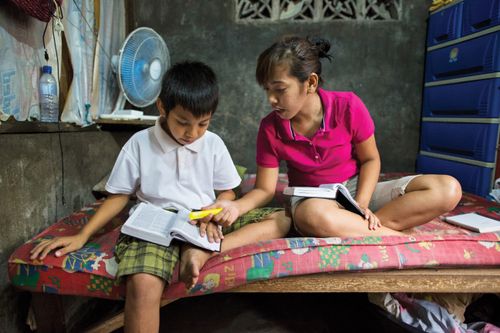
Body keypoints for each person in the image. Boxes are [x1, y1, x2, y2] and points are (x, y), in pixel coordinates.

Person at [29, 61, 290, 332]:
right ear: (163, 108)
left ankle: (201, 252)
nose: (193, 133)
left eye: (203, 123)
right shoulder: (139, 144)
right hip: (154, 225)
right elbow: (118, 197)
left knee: (282, 218)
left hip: (202, 219)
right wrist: (83, 235)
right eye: (183, 122)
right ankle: (197, 251)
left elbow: (227, 191)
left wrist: (221, 205)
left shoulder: (212, 143)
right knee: (143, 283)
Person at [207, 35, 462, 238]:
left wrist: (360, 205)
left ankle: (361, 229)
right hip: (313, 200)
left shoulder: (348, 106)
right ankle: (395, 238)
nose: (271, 100)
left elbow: (371, 160)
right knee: (313, 216)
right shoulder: (270, 128)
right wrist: (235, 207)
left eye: (280, 90)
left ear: (311, 83)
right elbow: (264, 189)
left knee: (448, 189)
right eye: (267, 91)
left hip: (353, 190)